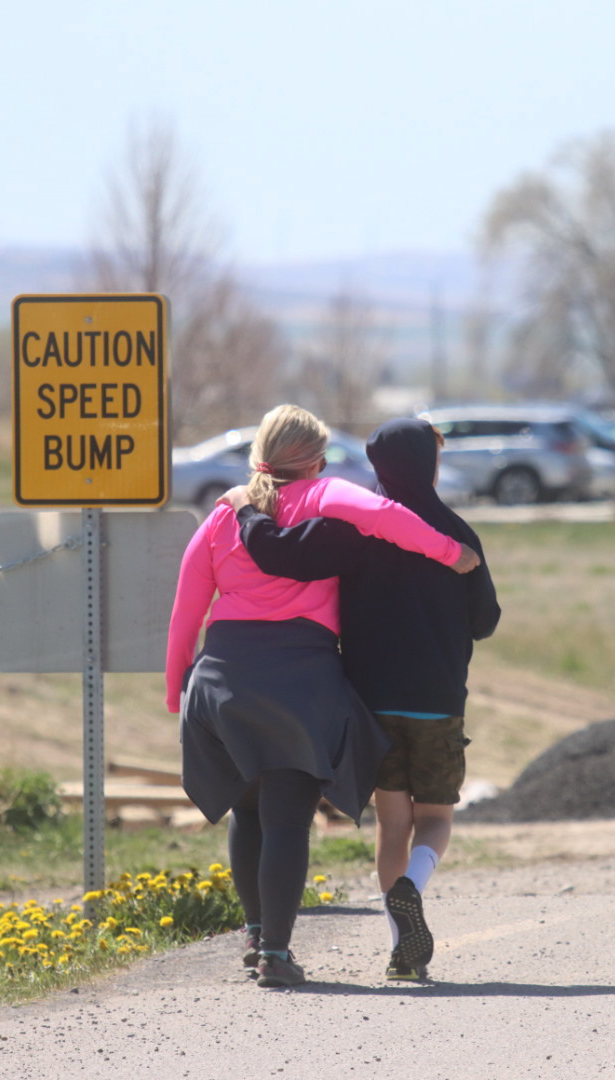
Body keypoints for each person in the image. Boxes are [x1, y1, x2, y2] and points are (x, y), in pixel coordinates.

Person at [166, 405, 479, 988]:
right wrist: (450, 553)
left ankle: (256, 933)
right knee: (288, 818)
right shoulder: (326, 497)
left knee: (248, 807)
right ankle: (277, 956)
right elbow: (388, 515)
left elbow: (186, 610)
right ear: (313, 460)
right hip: (298, 680)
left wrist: (174, 689)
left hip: (221, 678)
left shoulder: (221, 516)